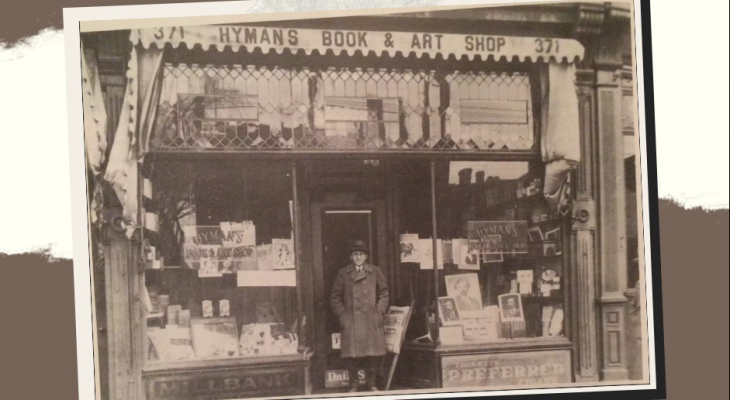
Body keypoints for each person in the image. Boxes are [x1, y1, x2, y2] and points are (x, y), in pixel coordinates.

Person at [330, 240, 389, 392]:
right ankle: (353, 385)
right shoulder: (343, 273)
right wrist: (343, 315)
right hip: (351, 320)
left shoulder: (375, 271)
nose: (358, 257)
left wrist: (379, 311)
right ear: (351, 256)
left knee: (372, 354)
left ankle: (372, 384)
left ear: (365, 256)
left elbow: (384, 293)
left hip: (371, 319)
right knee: (351, 356)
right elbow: (335, 297)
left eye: (361, 254)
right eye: (355, 254)